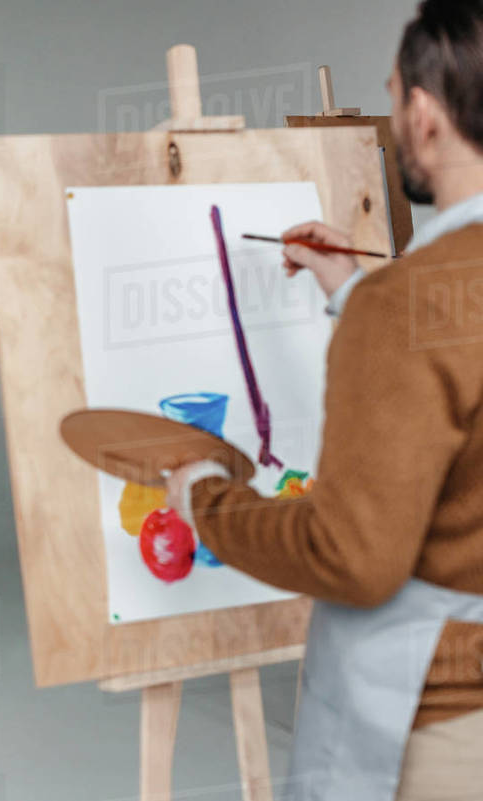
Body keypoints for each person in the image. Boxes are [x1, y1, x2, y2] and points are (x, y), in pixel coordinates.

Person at [164, 1, 483, 799]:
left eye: (392, 94)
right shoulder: (409, 307)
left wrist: (206, 502)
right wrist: (358, 291)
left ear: (424, 112)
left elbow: (352, 556)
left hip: (439, 721)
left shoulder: (407, 310)